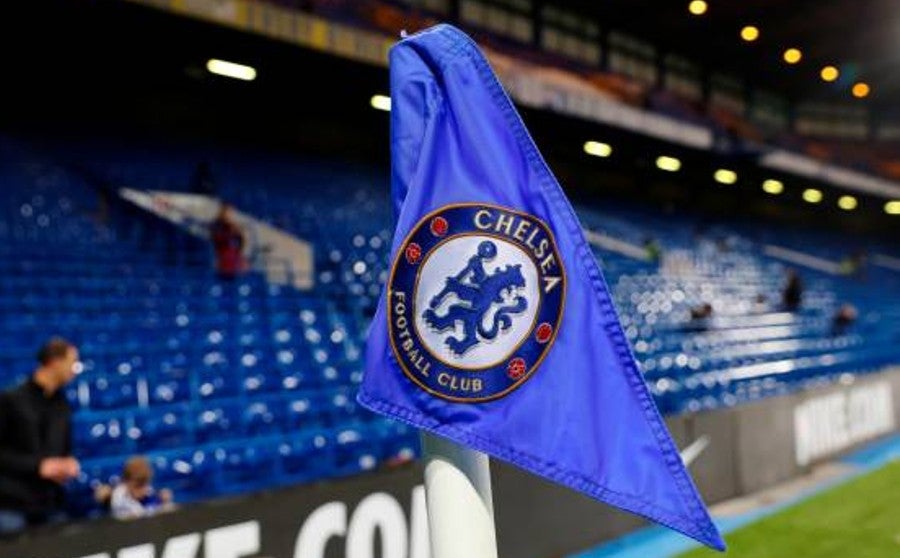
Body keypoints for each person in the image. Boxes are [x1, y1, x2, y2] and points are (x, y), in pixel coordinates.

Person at [0, 338, 81, 536]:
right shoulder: (11, 399)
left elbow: (64, 448)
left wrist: (67, 464)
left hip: (49, 503)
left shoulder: (62, 404)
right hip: (12, 505)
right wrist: (38, 467)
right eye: (72, 363)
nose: (75, 369)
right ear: (54, 362)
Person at [109, 456, 173, 520]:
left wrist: (163, 501)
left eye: (145, 485)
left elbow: (154, 504)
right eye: (138, 486)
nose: (142, 490)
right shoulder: (119, 497)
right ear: (126, 482)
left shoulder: (148, 491)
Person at [210, 203, 246, 279]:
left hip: (232, 257)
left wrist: (236, 231)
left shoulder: (233, 227)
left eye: (230, 212)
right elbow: (217, 239)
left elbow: (241, 240)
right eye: (227, 212)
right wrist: (231, 231)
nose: (229, 215)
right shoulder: (217, 225)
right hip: (222, 257)